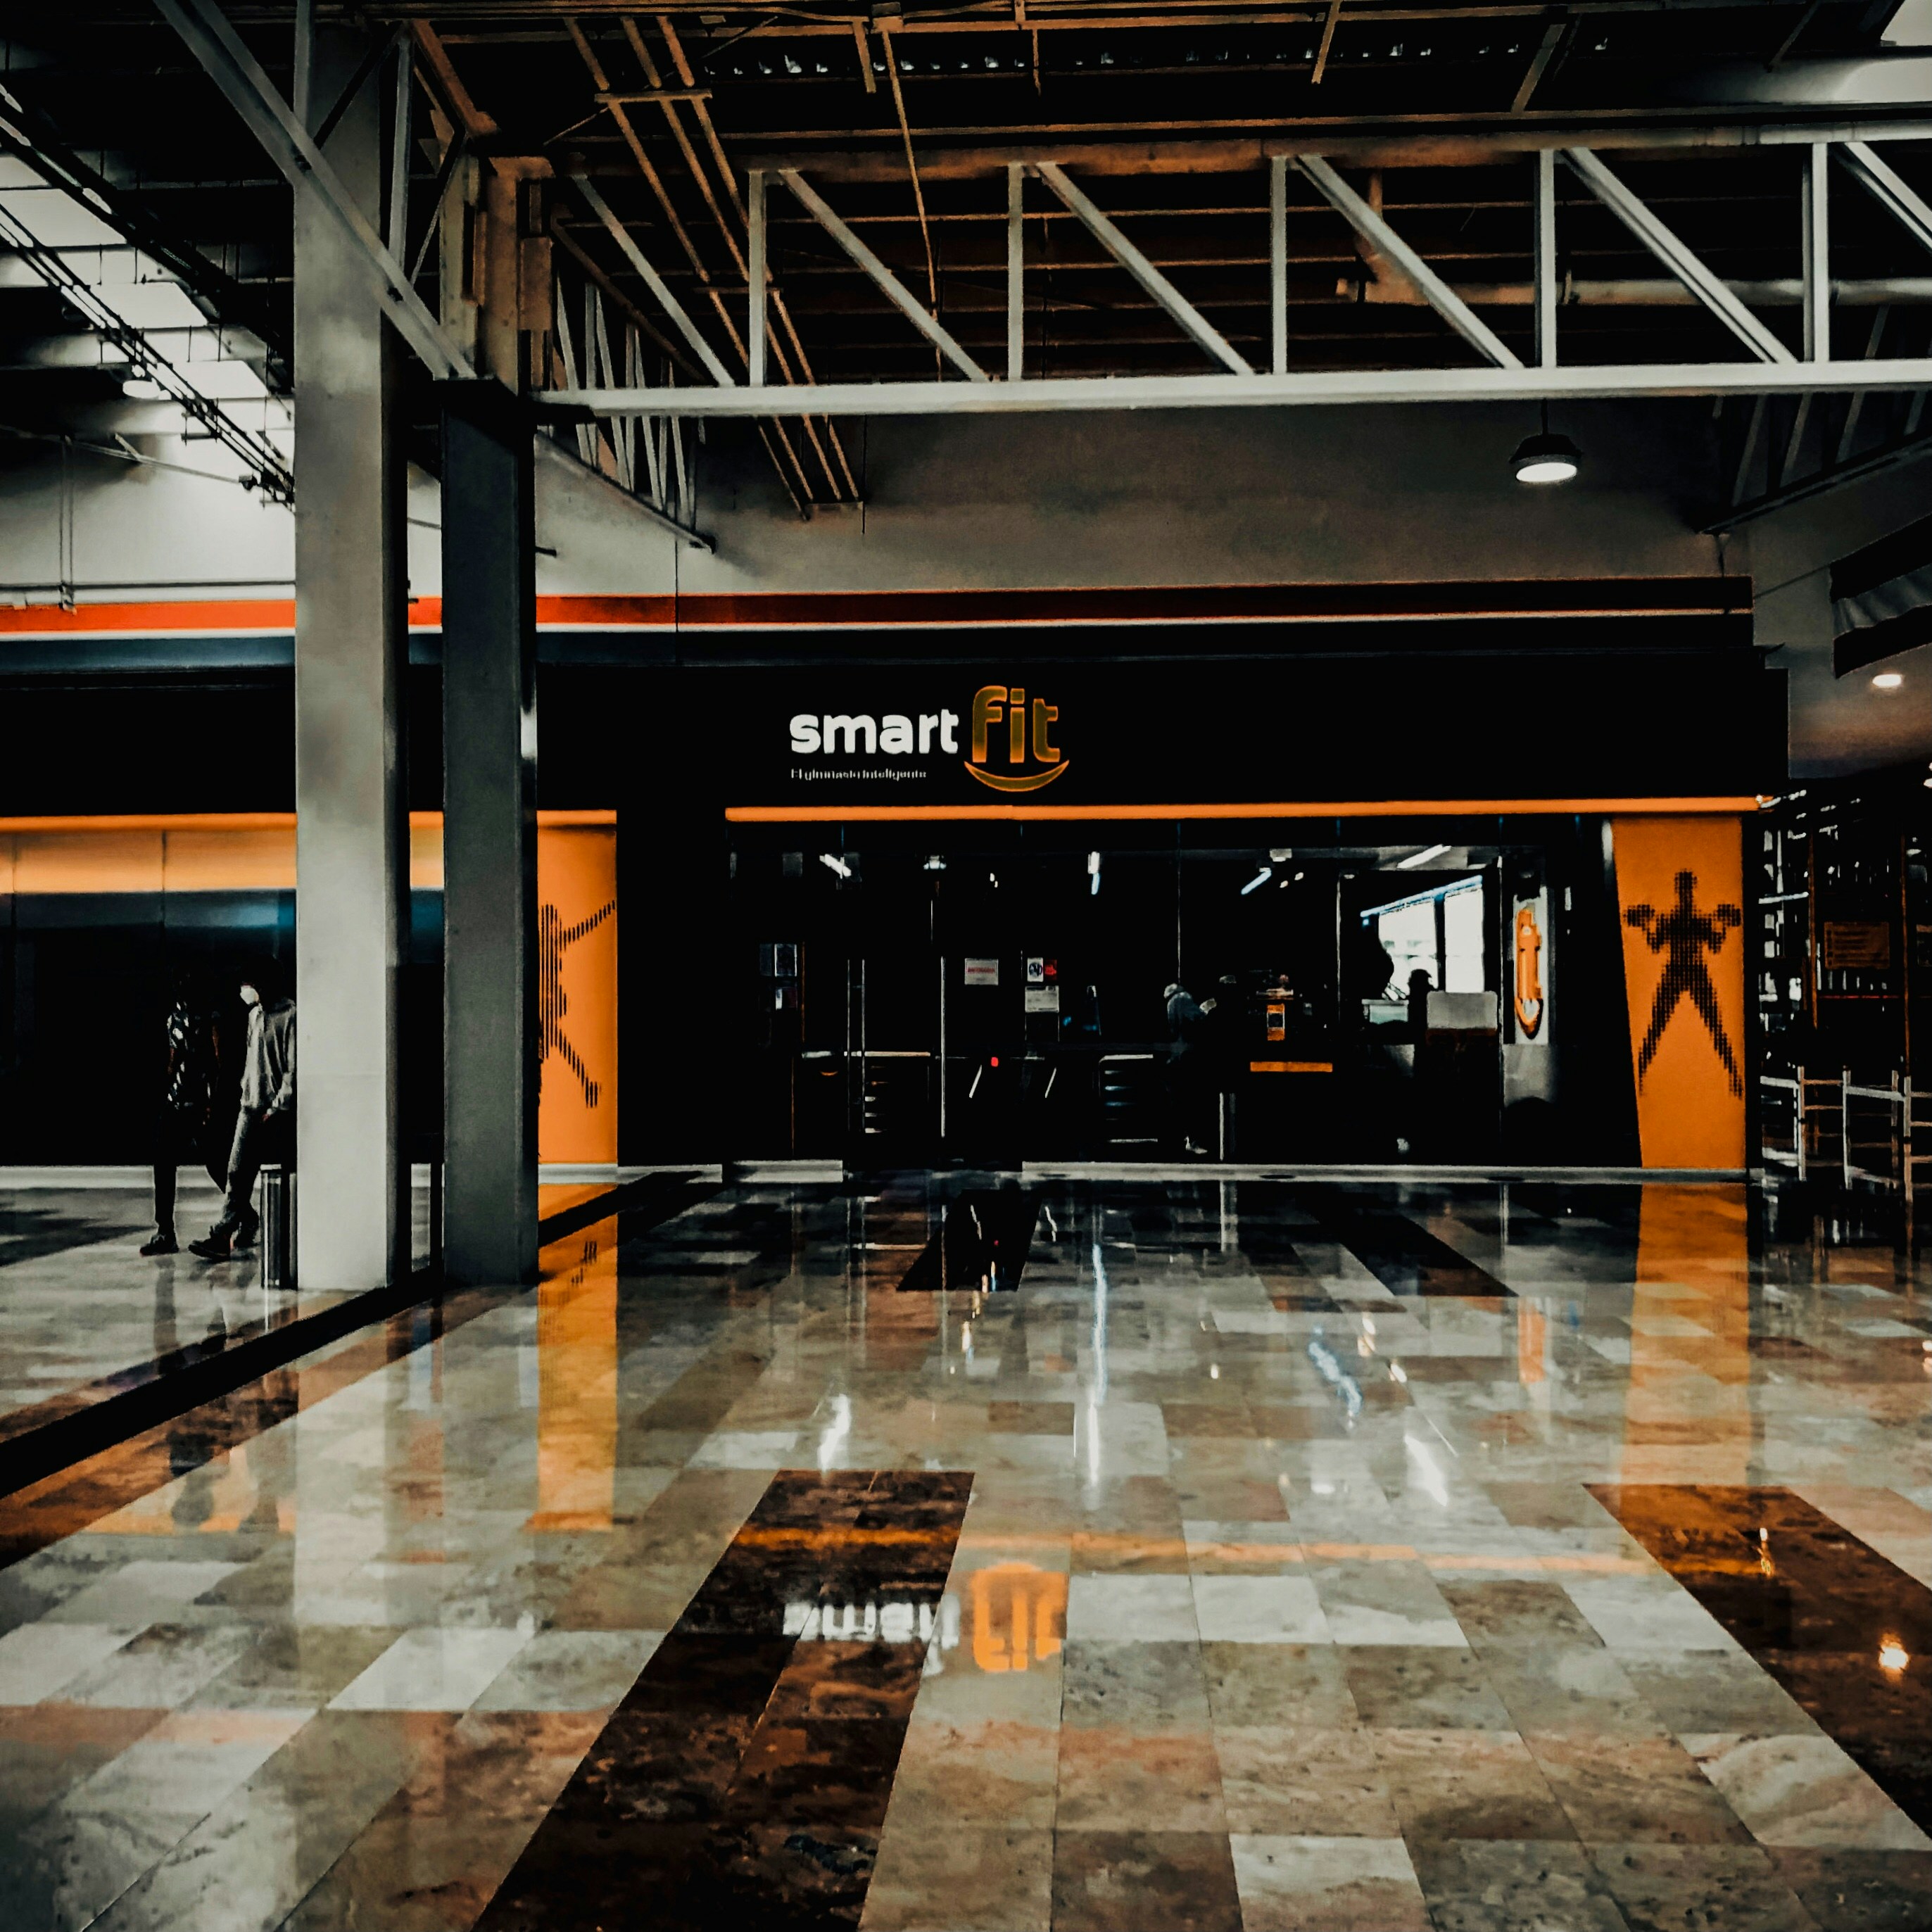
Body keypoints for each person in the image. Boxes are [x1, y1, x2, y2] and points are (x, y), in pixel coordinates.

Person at [190, 965, 295, 1261]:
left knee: (267, 1174)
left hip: (274, 1110)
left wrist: (278, 1106)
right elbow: (252, 1059)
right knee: (236, 1172)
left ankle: (235, 1231)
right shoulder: (254, 1015)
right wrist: (245, 1091)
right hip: (250, 1104)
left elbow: (292, 1068)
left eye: (252, 983)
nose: (247, 989)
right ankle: (225, 1233)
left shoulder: (291, 1016)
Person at [139, 971, 229, 1257]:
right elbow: (174, 1057)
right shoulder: (177, 1016)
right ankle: (165, 1231)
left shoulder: (208, 1019)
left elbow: (217, 1063)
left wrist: (211, 1103)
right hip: (178, 1100)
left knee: (216, 1163)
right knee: (165, 1163)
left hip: (199, 1101)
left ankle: (242, 1216)